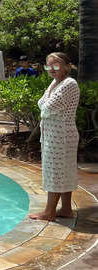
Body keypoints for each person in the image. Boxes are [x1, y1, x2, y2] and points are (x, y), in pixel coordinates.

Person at [29, 52, 80, 222]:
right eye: (48, 66)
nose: (51, 69)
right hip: (54, 135)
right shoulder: (55, 83)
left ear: (66, 66)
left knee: (56, 172)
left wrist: (45, 106)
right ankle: (66, 209)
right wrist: (45, 106)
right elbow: (41, 103)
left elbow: (47, 108)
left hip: (62, 136)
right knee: (62, 171)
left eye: (56, 65)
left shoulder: (69, 84)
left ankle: (49, 212)